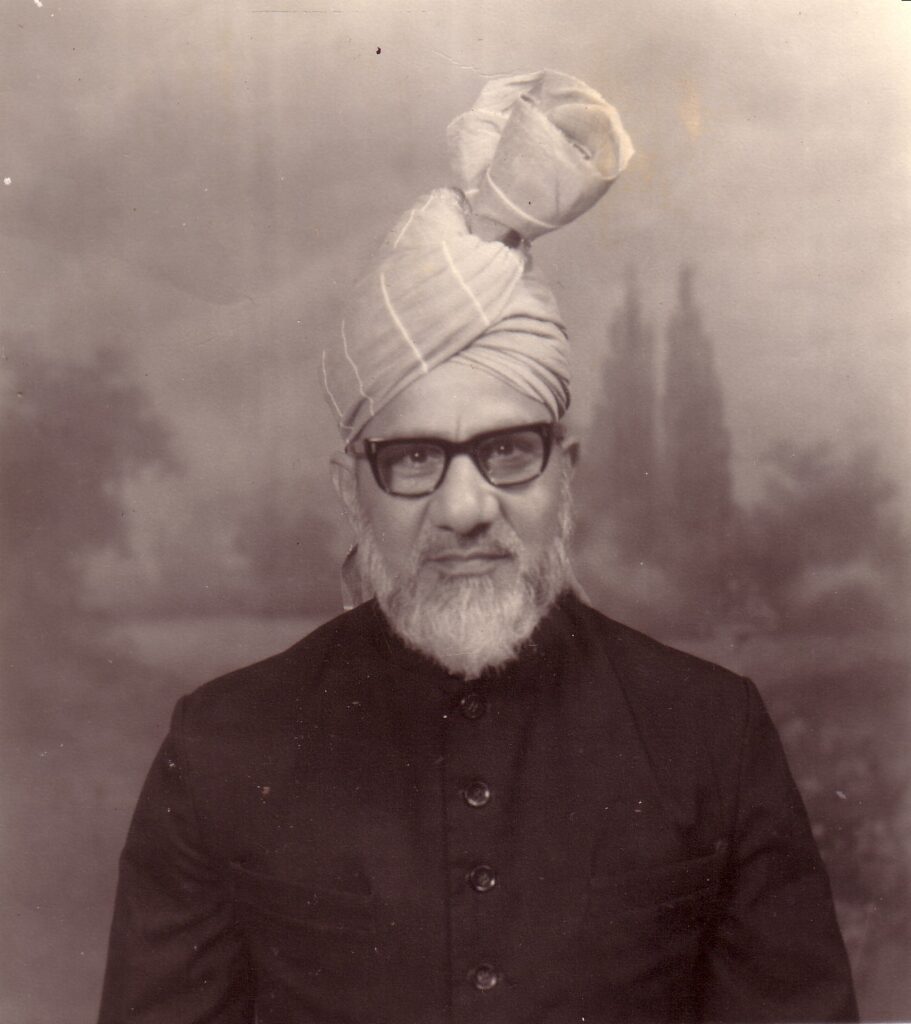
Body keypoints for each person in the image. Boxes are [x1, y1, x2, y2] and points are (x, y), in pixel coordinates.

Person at [98, 71, 857, 1023]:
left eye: (506, 452)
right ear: (351, 487)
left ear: (564, 474)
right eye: (415, 457)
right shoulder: (222, 744)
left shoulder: (710, 733)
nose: (466, 508)